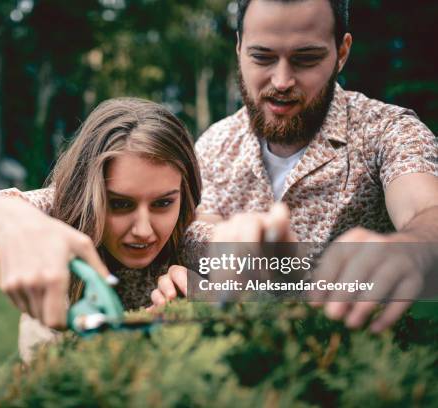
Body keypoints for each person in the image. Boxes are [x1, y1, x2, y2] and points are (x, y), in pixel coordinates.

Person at [167, 0, 438, 332]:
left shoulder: (388, 130)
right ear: (239, 49)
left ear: (341, 52)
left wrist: (411, 249)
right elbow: (196, 224)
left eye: (306, 59)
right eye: (262, 57)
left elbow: (426, 209)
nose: (281, 81)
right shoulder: (213, 144)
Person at [0, 97, 208, 338]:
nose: (144, 230)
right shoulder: (59, 213)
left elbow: (253, 269)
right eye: (120, 204)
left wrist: (214, 289)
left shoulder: (192, 236)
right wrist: (9, 218)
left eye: (163, 203)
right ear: (88, 193)